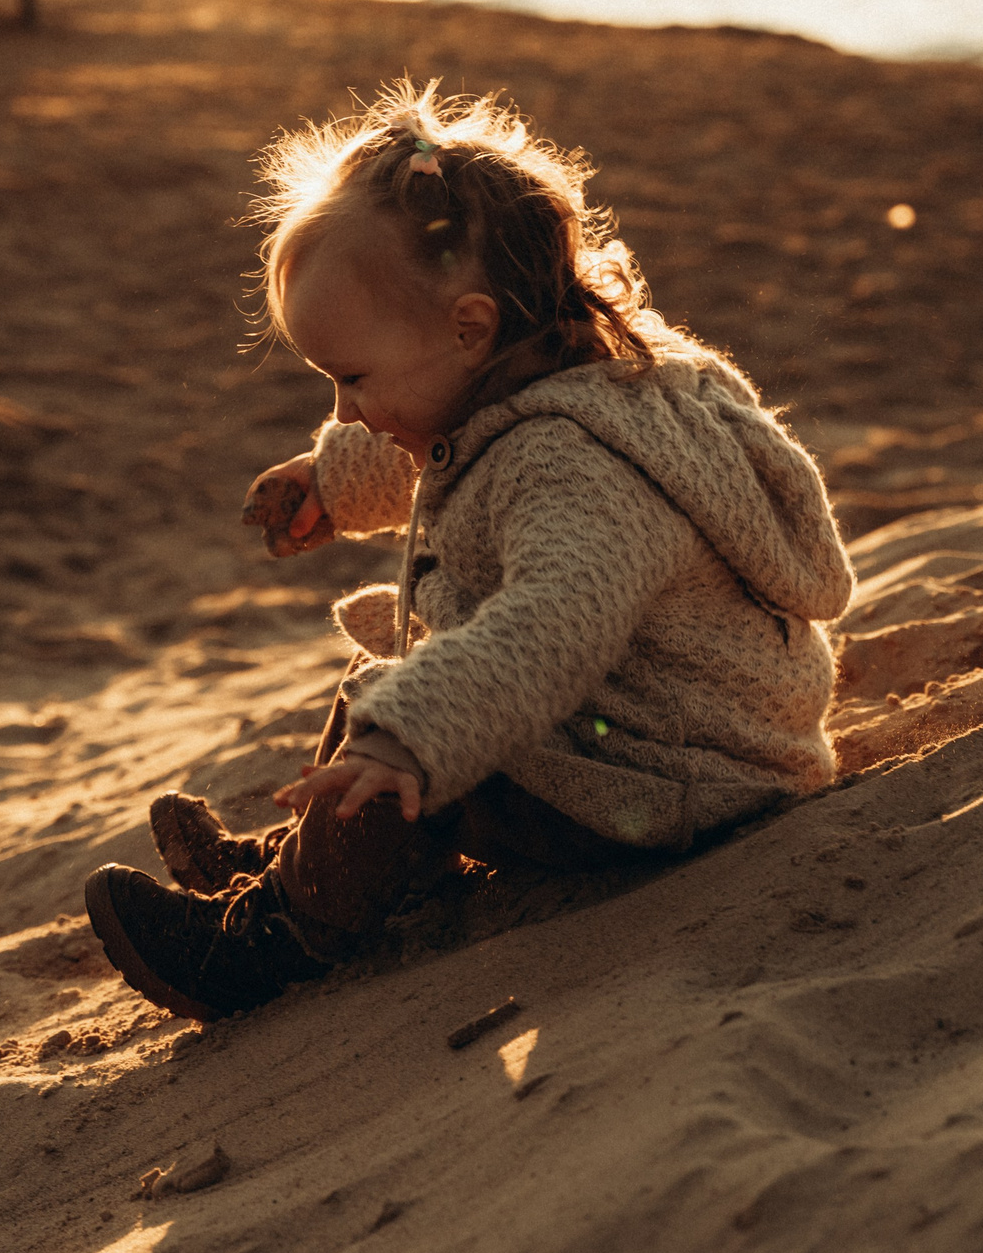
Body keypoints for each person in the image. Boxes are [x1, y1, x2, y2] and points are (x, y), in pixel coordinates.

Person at [82, 82, 854, 1020]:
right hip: (674, 729)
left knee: (403, 714)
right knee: (402, 697)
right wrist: (335, 480)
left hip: (675, 782)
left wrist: (414, 735)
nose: (342, 410)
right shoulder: (561, 373)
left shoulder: (574, 468)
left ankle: (274, 938)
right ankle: (296, 865)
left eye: (352, 380)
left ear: (471, 327)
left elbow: (553, 622)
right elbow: (454, 443)